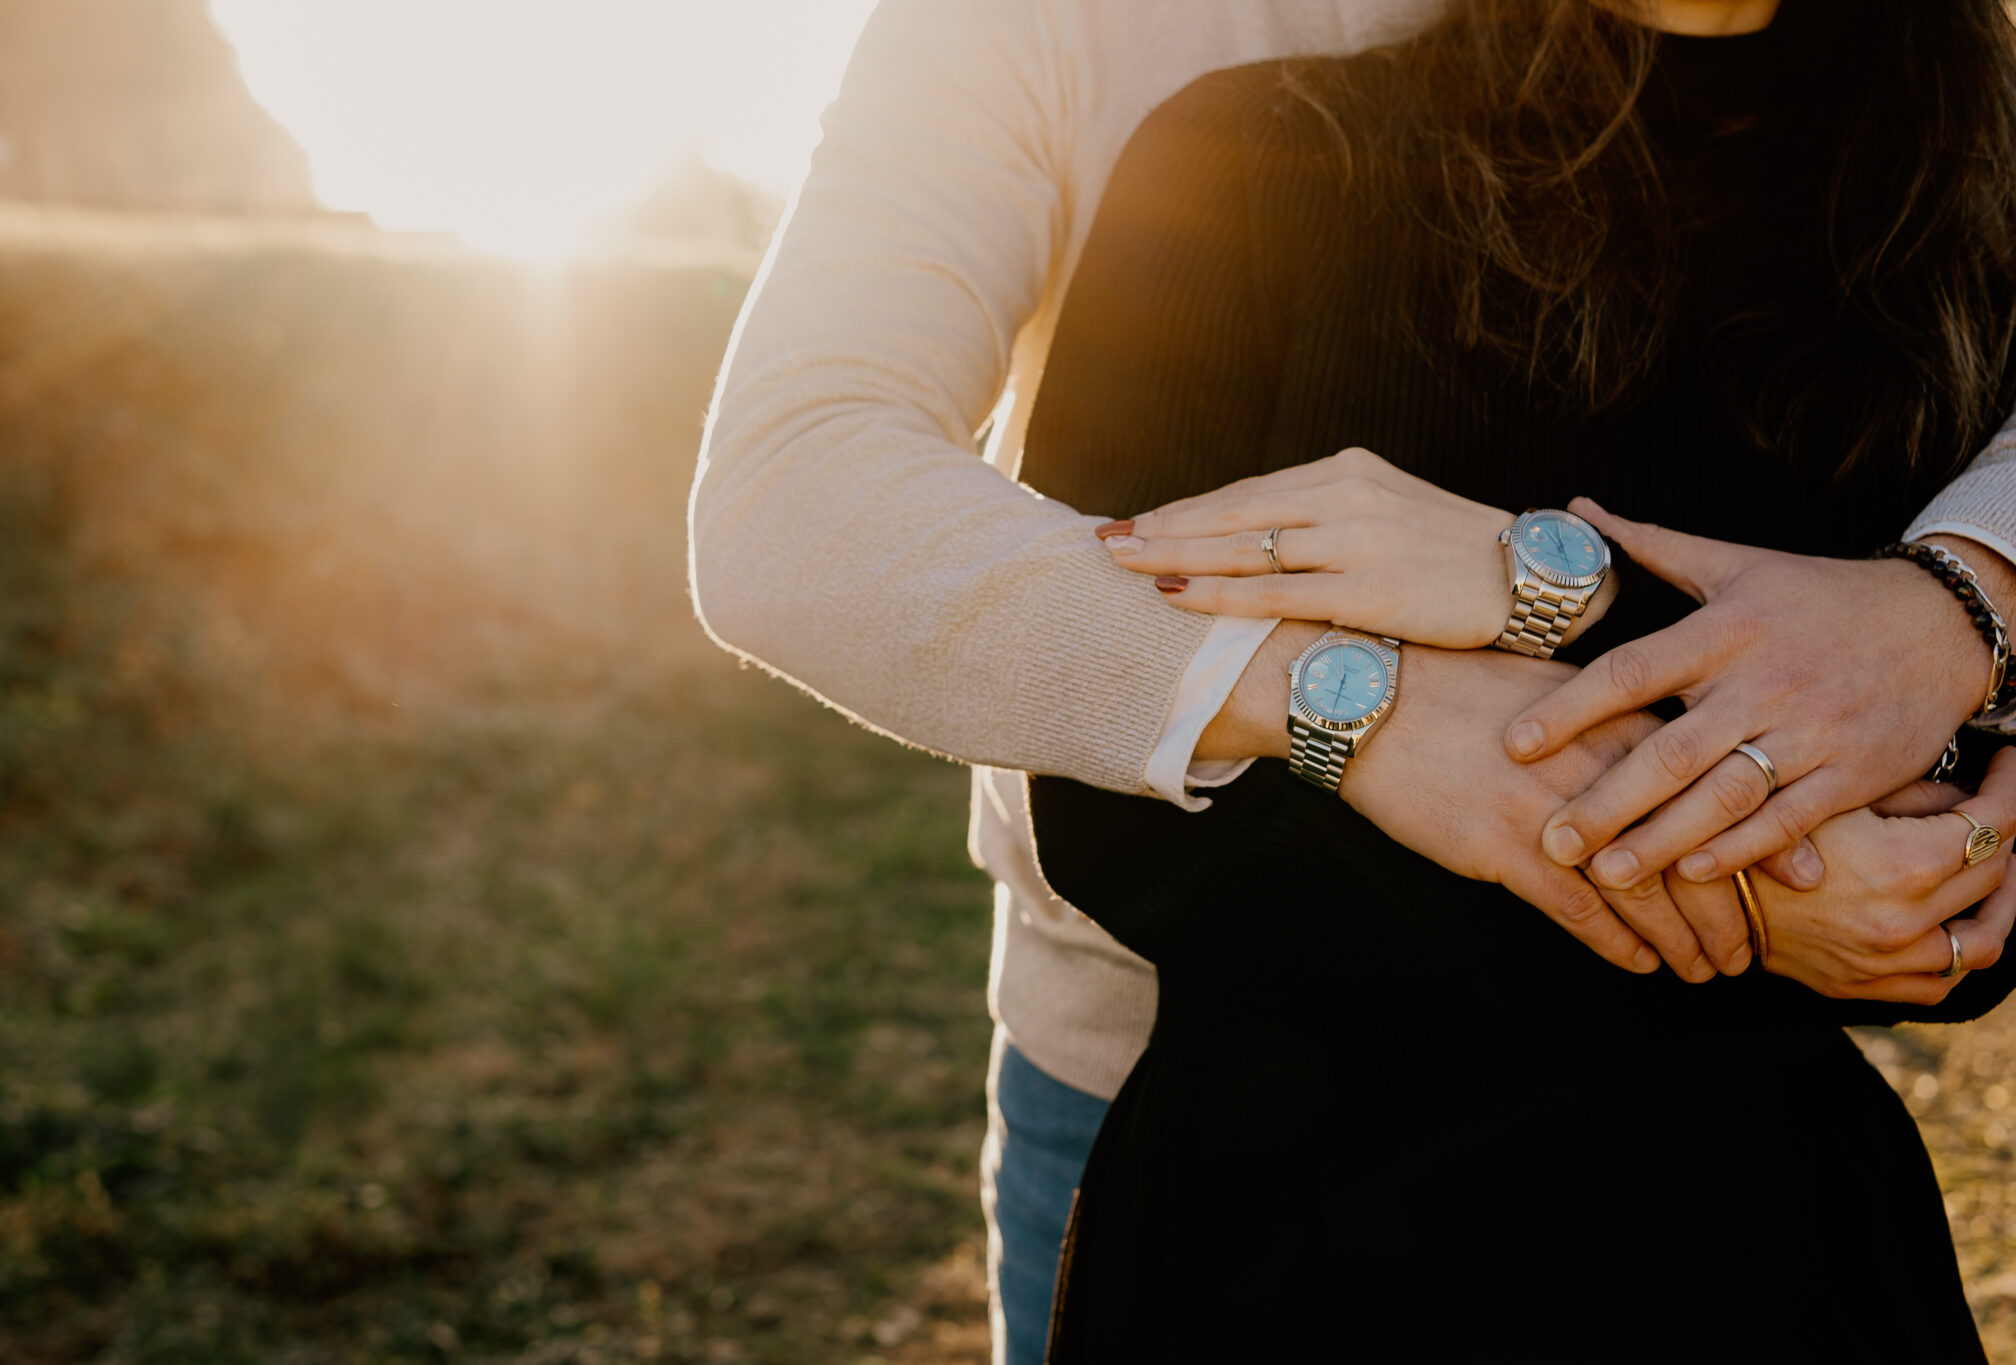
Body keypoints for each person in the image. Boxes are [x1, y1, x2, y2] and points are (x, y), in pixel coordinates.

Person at [688, 0, 2016, 1357]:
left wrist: (1949, 605)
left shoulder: (1922, 161)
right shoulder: (1244, 137)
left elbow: (1938, 845)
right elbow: (799, 494)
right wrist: (1360, 701)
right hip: (1236, 1144)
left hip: (1746, 1200)